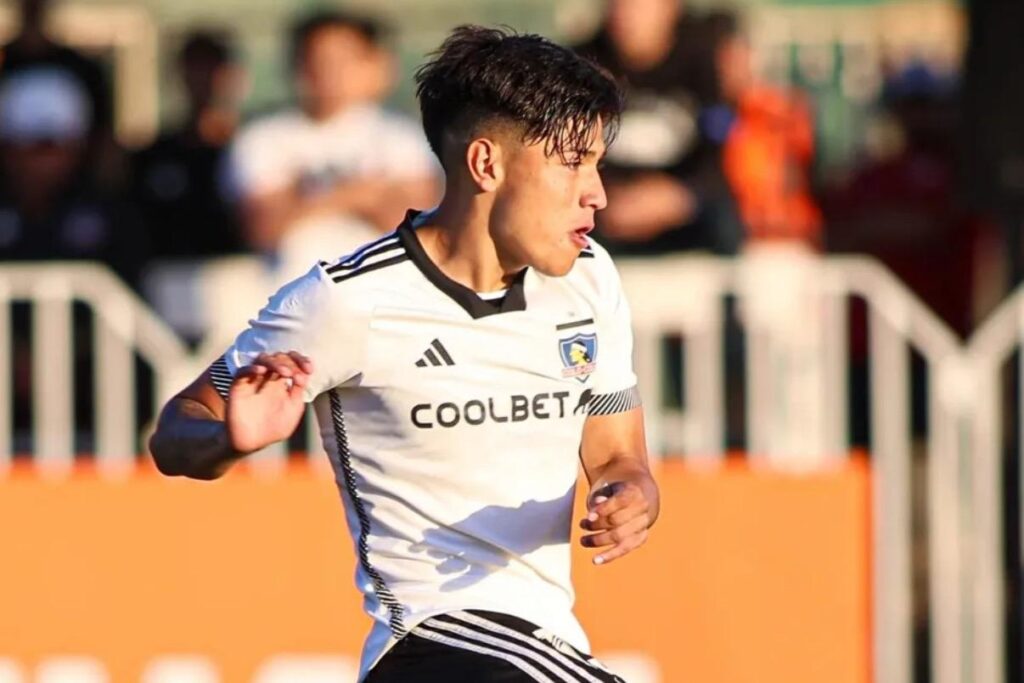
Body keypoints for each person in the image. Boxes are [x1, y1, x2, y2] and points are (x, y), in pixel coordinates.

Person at [150, 25, 658, 683]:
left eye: (598, 164)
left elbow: (620, 455)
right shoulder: (348, 298)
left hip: (546, 647)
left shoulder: (590, 277)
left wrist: (631, 495)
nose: (598, 192)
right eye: (572, 162)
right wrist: (227, 436)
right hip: (431, 644)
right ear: (485, 164)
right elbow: (174, 431)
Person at [228, 9, 439, 280]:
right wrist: (362, 193)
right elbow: (263, 225)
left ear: (370, 64)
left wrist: (306, 198)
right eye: (317, 59)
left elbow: (415, 223)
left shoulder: (403, 139)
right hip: (287, 297)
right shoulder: (261, 138)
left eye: (342, 59)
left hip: (382, 294)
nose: (328, 72)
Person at [575, 0, 741, 256]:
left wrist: (681, 196)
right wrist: (612, 199)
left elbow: (718, 147)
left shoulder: (700, 58)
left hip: (681, 199)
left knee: (723, 219)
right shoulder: (582, 62)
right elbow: (567, 156)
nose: (627, 14)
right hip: (610, 204)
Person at [132, 29, 247, 260]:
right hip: (169, 279)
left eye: (210, 68)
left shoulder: (256, 148)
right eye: (193, 68)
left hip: (245, 279)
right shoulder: (154, 156)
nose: (201, 79)